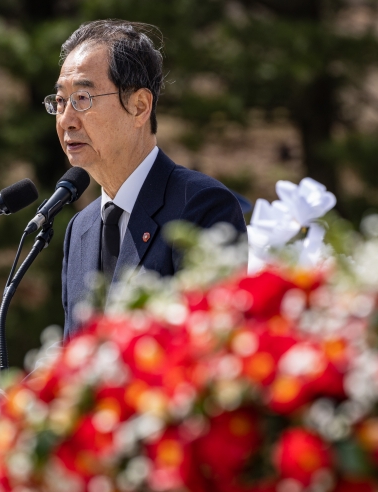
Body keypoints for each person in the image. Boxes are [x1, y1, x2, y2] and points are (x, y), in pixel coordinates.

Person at [46, 20, 247, 339]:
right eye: (59, 102)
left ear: (139, 106)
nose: (66, 120)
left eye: (82, 98)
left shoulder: (200, 206)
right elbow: (74, 354)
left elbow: (211, 347)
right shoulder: (79, 229)